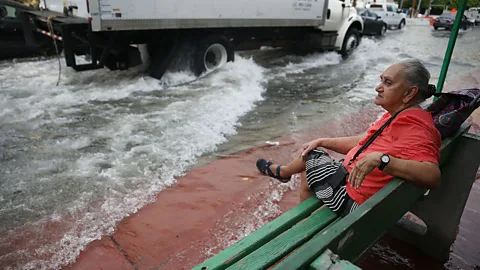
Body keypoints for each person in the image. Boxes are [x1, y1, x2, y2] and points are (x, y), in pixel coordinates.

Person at [256, 59, 442, 216]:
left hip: (353, 202)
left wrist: (382, 160)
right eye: (381, 81)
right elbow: (363, 141)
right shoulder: (400, 114)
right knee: (314, 155)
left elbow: (432, 175)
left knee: (311, 158)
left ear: (410, 93)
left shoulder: (414, 126)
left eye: (388, 83)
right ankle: (292, 186)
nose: (378, 88)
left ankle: (294, 198)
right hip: (355, 187)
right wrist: (323, 141)